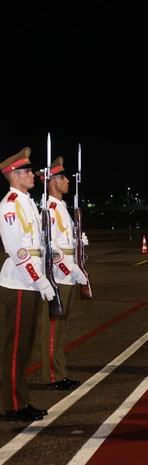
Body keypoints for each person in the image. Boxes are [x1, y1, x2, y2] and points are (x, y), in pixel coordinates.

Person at [0, 147, 53, 421]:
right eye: (27, 171)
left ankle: (20, 401)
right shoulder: (10, 205)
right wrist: (40, 279)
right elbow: (17, 250)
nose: (33, 174)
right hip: (20, 282)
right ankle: (12, 405)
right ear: (13, 174)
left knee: (24, 346)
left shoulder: (27, 202)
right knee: (15, 347)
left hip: (29, 282)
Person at [36, 157, 88, 390]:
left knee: (62, 325)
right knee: (53, 326)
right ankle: (52, 377)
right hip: (57, 274)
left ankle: (60, 371)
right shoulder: (49, 209)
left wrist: (79, 244)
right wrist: (70, 267)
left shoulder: (62, 208)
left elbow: (65, 241)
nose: (68, 181)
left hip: (67, 273)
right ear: (52, 181)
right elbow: (50, 246)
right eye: (63, 177)